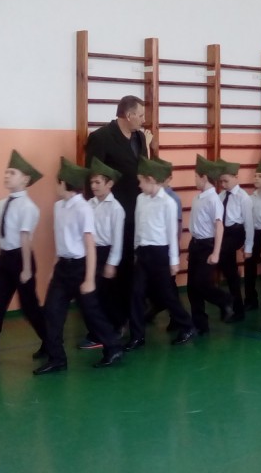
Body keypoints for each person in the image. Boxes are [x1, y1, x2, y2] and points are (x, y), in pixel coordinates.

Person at [35, 158, 123, 374]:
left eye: (57, 182)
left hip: (80, 268)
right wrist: (54, 267)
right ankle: (57, 358)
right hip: (62, 268)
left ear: (65, 183)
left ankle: (113, 347)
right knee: (52, 312)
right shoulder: (58, 207)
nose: (55, 187)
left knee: (91, 312)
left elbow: (89, 245)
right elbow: (61, 241)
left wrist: (89, 279)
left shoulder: (83, 208)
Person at [84, 95, 149, 337]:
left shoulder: (139, 138)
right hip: (110, 216)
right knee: (111, 270)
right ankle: (113, 320)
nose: (143, 120)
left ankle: (130, 316)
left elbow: (143, 170)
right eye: (140, 115)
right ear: (128, 116)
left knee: (129, 268)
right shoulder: (101, 138)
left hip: (135, 215)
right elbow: (91, 177)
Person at [0, 150, 48, 365]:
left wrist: (26, 269)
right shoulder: (1, 204)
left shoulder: (28, 207)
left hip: (21, 259)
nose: (7, 176)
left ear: (25, 179)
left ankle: (51, 342)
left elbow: (25, 238)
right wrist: (0, 257)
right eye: (6, 172)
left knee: (30, 307)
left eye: (12, 173)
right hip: (5, 259)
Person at [126, 157, 196, 350]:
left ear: (150, 179)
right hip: (143, 252)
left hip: (160, 253)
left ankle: (187, 325)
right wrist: (136, 249)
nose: (139, 185)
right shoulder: (141, 199)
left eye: (141, 181)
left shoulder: (168, 203)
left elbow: (171, 233)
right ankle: (137, 336)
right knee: (136, 293)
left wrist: (174, 261)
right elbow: (139, 226)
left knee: (167, 295)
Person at [186, 156, 234, 335]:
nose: (194, 180)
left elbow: (219, 226)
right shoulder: (198, 198)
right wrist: (192, 247)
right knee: (192, 287)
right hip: (196, 244)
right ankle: (200, 324)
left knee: (201, 283)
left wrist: (216, 252)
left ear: (204, 177)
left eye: (195, 176)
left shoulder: (213, 200)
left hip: (207, 245)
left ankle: (225, 299)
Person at [85, 158, 125, 338]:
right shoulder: (89, 205)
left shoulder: (116, 208)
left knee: (107, 294)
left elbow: (117, 239)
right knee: (95, 294)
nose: (93, 186)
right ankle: (99, 329)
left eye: (97, 182)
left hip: (107, 252)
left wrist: (111, 263)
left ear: (109, 184)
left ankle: (117, 325)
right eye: (91, 182)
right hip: (92, 252)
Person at [217, 158, 253, 321]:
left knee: (223, 259)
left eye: (226, 181)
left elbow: (249, 224)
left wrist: (248, 247)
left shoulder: (243, 197)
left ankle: (234, 305)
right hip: (224, 233)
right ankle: (234, 305)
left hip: (236, 232)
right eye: (221, 181)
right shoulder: (221, 196)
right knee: (228, 269)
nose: (223, 184)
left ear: (236, 177)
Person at [243, 160, 261, 311]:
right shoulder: (251, 198)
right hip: (253, 234)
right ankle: (250, 299)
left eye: (260, 176)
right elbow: (247, 221)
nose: (256, 178)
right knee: (249, 268)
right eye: (255, 175)